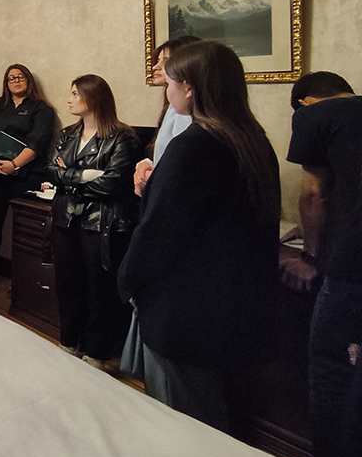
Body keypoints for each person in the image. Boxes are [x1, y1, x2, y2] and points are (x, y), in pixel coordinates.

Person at [119, 41, 280, 433]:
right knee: (217, 419)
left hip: (185, 312)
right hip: (233, 306)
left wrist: (127, 280)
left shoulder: (193, 146)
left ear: (189, 87)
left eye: (170, 82)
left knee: (182, 424)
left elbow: (158, 233)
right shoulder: (252, 139)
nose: (166, 89)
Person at [284, 70, 362, 457]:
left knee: (332, 365)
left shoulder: (314, 116)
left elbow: (315, 192)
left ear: (304, 103)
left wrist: (310, 257)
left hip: (351, 267)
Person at [46, 74, 139, 370]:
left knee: (99, 288)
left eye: (76, 93)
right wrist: (86, 176)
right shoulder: (67, 134)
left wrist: (69, 178)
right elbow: (51, 172)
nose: (69, 99)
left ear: (94, 97)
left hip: (101, 221)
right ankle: (69, 341)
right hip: (66, 217)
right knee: (68, 283)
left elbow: (113, 183)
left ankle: (97, 351)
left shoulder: (121, 137)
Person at [0, 64, 55, 294]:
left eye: (20, 76)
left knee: (24, 229)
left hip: (28, 175)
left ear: (29, 80)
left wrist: (15, 165)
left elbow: (38, 142)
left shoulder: (41, 109)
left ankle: (20, 278)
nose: (16, 80)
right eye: (11, 78)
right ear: (6, 83)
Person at [133, 35, 201, 196]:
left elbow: (183, 169)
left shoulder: (190, 113)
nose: (155, 67)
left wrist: (155, 178)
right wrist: (147, 164)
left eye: (165, 61)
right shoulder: (172, 106)